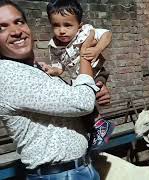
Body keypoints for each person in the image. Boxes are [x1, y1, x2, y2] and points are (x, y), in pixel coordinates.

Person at [0, 0, 110, 179]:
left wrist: (94, 90)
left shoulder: (30, 69)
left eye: (19, 22)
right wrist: (85, 55)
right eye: (1, 28)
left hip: (78, 168)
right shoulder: (7, 74)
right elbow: (81, 103)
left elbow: (73, 99)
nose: (16, 31)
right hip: (60, 175)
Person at [42, 0, 114, 151]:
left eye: (67, 25)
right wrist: (52, 70)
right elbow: (59, 67)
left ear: (79, 25)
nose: (61, 31)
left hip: (97, 71)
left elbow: (107, 34)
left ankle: (100, 125)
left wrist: (97, 49)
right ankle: (96, 127)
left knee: (88, 98)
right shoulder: (54, 46)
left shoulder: (86, 32)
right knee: (81, 101)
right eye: (56, 25)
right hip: (79, 79)